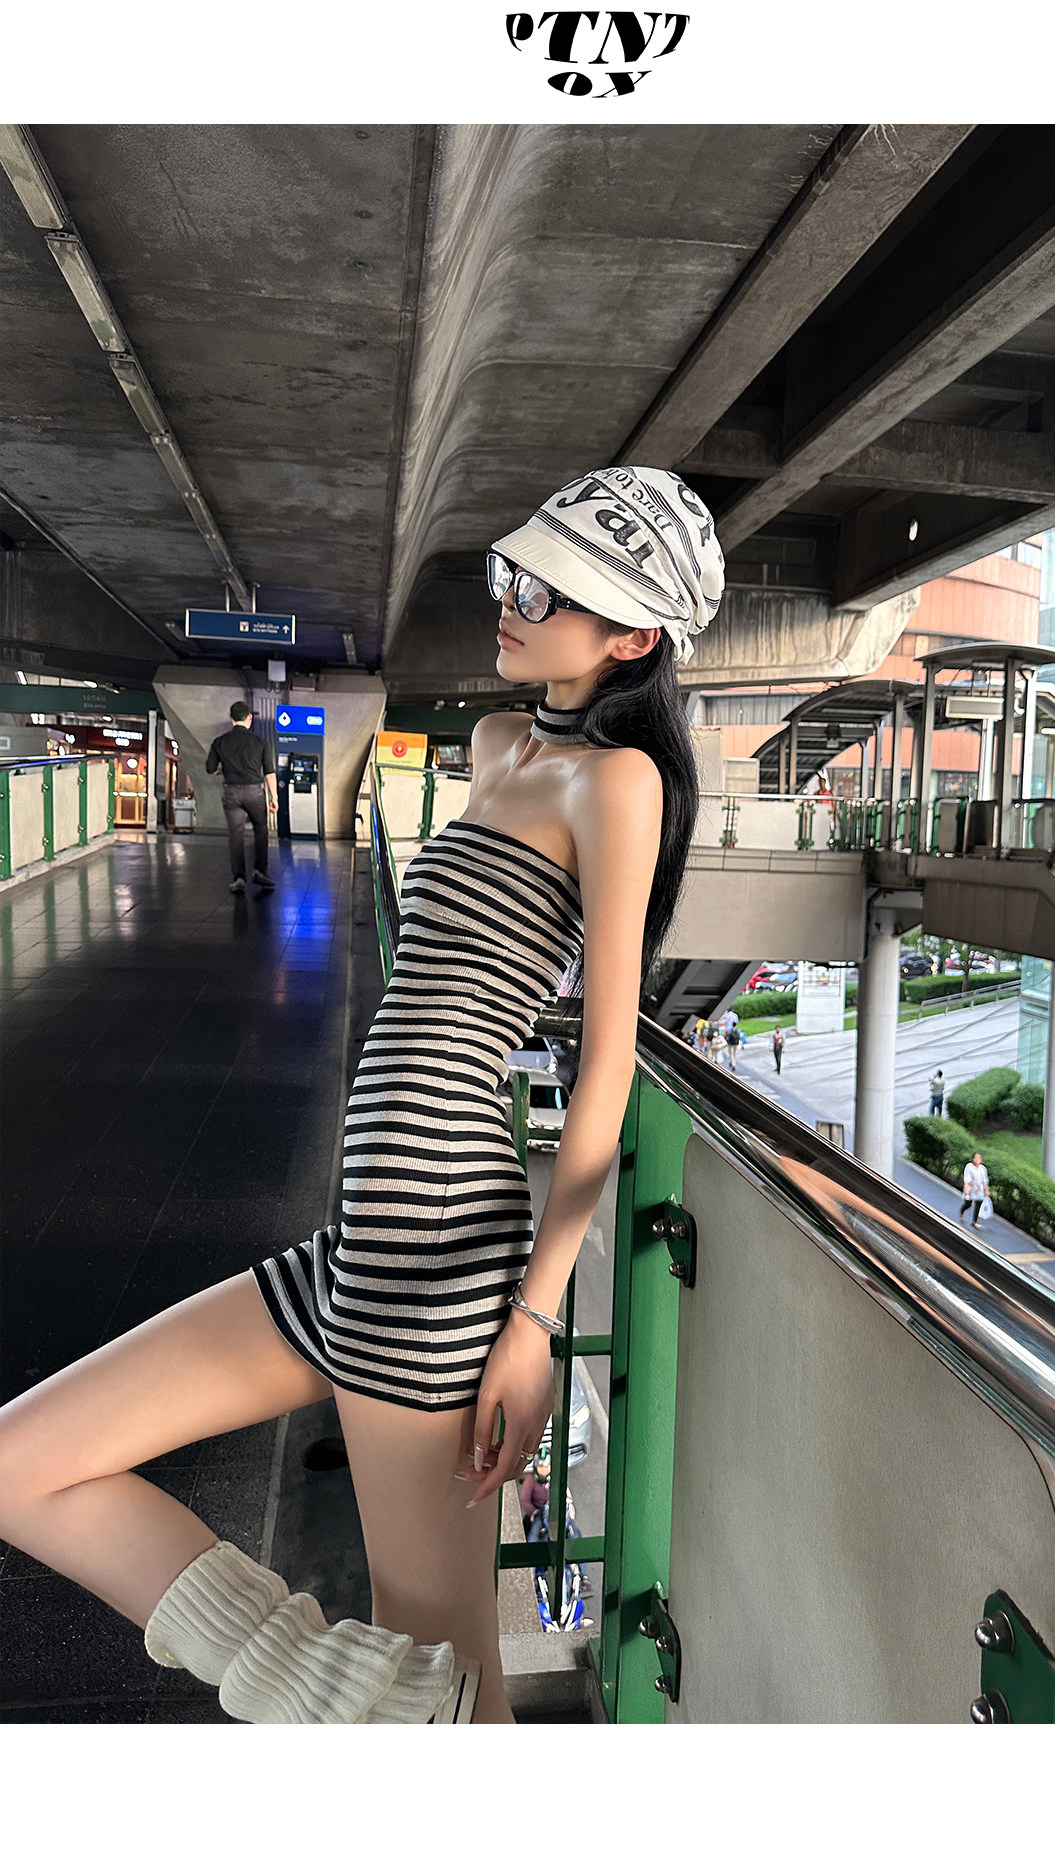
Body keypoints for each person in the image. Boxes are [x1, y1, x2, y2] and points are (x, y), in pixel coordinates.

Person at [0, 463, 723, 1727]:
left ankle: (372, 1716)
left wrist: (534, 1319)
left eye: (545, 592)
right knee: (26, 1463)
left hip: (439, 1247)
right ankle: (345, 1705)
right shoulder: (497, 744)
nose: (507, 601)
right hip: (362, 1239)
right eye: (511, 573)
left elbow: (607, 1059)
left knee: (450, 1678)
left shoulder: (620, 784)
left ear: (633, 637)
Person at [205, 700, 278, 893]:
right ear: (250, 718)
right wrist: (274, 798)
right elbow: (269, 773)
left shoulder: (220, 741)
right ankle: (260, 871)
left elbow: (210, 768)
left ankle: (239, 878)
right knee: (261, 829)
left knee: (235, 835)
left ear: (231, 718)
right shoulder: (260, 741)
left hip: (231, 792)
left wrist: (224, 771)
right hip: (254, 792)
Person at [959, 1151, 990, 1226]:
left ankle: (974, 1221)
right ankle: (962, 1210)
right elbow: (967, 1179)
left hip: (979, 1189)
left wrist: (987, 1190)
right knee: (968, 1204)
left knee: (978, 1205)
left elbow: (985, 1180)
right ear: (973, 1159)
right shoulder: (969, 1166)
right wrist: (966, 1189)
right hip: (971, 1188)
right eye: (976, 1158)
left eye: (979, 1158)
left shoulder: (983, 1169)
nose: (977, 1160)